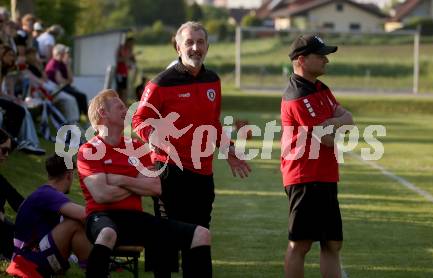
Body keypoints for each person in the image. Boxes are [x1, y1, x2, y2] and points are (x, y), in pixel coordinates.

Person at [132, 21, 251, 275]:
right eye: (189, 42)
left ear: (207, 46)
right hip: (168, 171)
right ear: (178, 46)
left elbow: (213, 123)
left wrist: (229, 151)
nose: (195, 48)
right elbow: (138, 119)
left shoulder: (213, 81)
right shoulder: (161, 83)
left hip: (202, 173)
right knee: (166, 236)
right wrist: (152, 136)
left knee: (200, 235)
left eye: (200, 42)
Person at [78, 89, 213, 278]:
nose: (126, 111)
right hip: (101, 217)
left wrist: (119, 180)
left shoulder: (136, 147)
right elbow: (102, 195)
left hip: (134, 218)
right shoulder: (89, 150)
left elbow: (155, 187)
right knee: (108, 233)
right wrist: (136, 184)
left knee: (201, 234)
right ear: (103, 113)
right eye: (120, 107)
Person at [280, 34, 354, 278]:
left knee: (332, 242)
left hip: (325, 173)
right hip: (304, 177)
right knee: (300, 243)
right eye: (320, 56)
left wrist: (332, 122)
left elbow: (349, 120)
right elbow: (326, 138)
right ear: (301, 59)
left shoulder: (321, 89)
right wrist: (337, 123)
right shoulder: (297, 95)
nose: (326, 60)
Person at [6, 154, 91, 277]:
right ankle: (97, 269)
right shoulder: (48, 194)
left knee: (74, 220)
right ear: (69, 174)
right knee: (74, 224)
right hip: (28, 260)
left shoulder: (45, 193)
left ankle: (95, 267)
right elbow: (84, 214)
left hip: (27, 256)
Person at [0, 128, 24, 260]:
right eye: (4, 150)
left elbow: (19, 202)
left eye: (9, 151)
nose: (7, 155)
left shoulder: (1, 181)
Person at [115, 37, 136, 103]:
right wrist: (126, 57)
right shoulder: (122, 49)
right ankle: (122, 104)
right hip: (120, 73)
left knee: (124, 90)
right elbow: (118, 59)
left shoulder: (128, 50)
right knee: (121, 90)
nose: (132, 45)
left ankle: (124, 104)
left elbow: (132, 61)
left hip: (125, 72)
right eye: (131, 43)